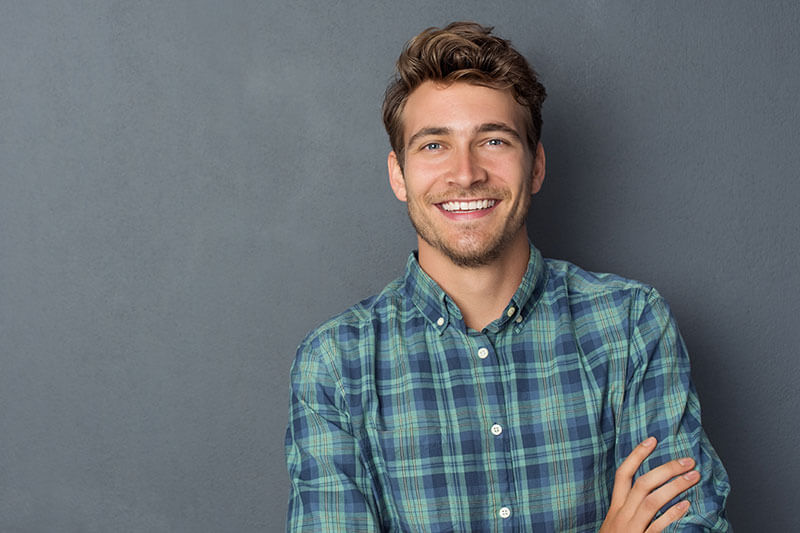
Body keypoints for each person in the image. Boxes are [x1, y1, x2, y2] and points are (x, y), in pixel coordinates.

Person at [285, 22, 730, 532]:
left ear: (535, 166)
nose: (466, 172)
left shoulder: (630, 325)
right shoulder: (337, 365)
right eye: (434, 146)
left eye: (493, 140)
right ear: (398, 175)